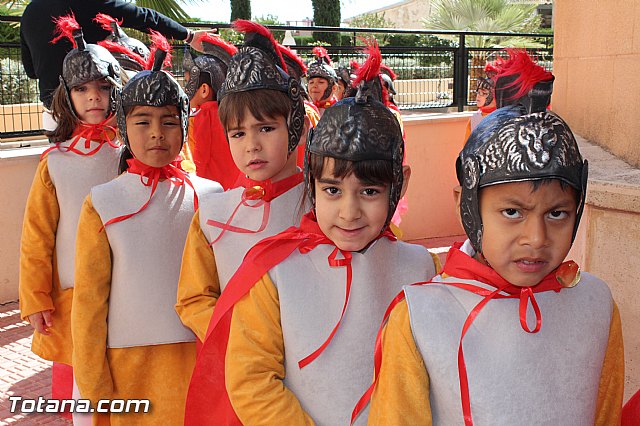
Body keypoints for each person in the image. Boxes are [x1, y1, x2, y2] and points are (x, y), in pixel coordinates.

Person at [183, 40, 439, 426]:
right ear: (316, 183)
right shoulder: (236, 231)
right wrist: (252, 333)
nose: (349, 212)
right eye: (238, 133)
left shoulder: (419, 268)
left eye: (266, 127)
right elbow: (198, 306)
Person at [362, 104, 625, 424]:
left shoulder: (596, 304)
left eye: (557, 213)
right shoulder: (419, 317)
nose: (536, 238)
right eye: (513, 212)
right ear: (467, 207)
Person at [70, 32, 222, 425]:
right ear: (123, 127)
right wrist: (91, 382)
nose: (157, 133)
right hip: (127, 368)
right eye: (143, 121)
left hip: (199, 358)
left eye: (170, 122)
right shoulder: (102, 201)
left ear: (184, 127)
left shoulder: (212, 196)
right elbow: (89, 301)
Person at [175, 20, 306, 343]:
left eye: (266, 128)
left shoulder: (326, 205)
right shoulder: (212, 214)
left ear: (297, 126)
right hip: (236, 373)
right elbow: (193, 300)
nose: (252, 145)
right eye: (238, 133)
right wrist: (240, 338)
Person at [18, 13, 122, 417]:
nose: (93, 96)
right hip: (75, 292)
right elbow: (37, 235)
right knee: (84, 385)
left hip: (128, 286)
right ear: (68, 95)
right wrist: (36, 298)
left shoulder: (139, 154)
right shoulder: (56, 162)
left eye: (102, 86)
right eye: (82, 89)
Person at [20, 0, 213, 128]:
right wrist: (188, 36)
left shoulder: (29, 12)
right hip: (96, 109)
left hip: (54, 115)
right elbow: (143, 17)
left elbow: (31, 71)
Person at [182, 34, 240, 189]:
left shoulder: (202, 116)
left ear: (204, 90)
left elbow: (197, 158)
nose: (185, 88)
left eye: (188, 82)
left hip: (209, 190)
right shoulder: (234, 113)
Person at [306, 46, 338, 114]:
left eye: (321, 82)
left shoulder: (340, 111)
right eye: (311, 82)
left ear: (334, 88)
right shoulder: (305, 110)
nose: (314, 86)